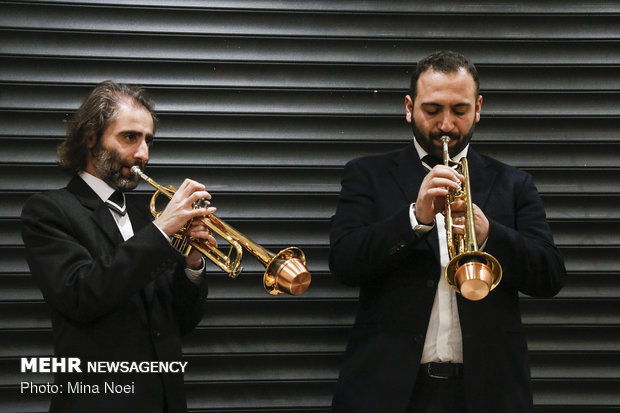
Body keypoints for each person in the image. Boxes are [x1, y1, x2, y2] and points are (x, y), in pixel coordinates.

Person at [329, 51, 566, 413]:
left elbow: (550, 276)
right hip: (386, 390)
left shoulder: (514, 183)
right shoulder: (367, 174)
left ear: (479, 107)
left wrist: (489, 234)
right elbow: (344, 262)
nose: (445, 126)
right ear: (409, 107)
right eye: (432, 110)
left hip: (488, 392)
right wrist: (415, 219)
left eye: (459, 110)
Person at [21, 80, 216, 413]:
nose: (143, 154)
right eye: (130, 137)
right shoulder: (49, 211)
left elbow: (180, 323)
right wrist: (161, 232)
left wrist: (192, 264)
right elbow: (82, 295)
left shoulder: (147, 217)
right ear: (90, 137)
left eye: (148, 140)